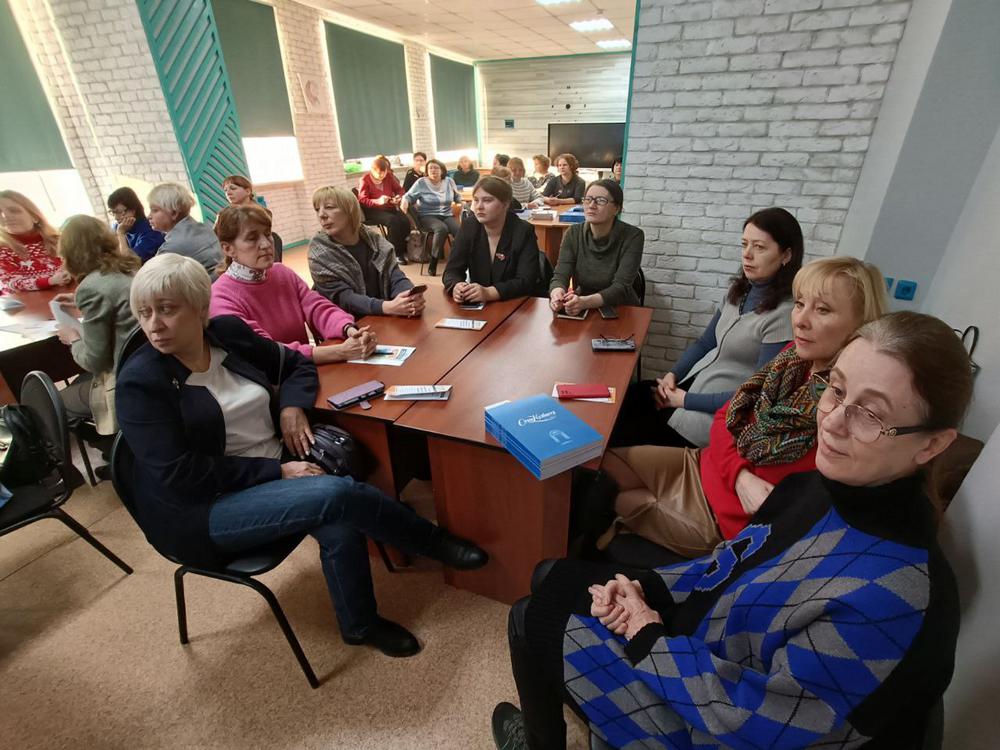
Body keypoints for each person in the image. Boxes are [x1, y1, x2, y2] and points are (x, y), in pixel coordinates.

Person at [492, 309, 971, 750]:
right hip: (706, 649)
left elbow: (754, 723)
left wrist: (646, 634)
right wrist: (645, 588)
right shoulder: (818, 487)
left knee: (531, 617)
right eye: (836, 389)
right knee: (551, 575)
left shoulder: (895, 597)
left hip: (715, 723)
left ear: (932, 445)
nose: (832, 422)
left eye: (871, 414)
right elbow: (727, 565)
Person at [117, 253, 488, 658]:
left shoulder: (227, 334)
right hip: (202, 508)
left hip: (272, 463)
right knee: (335, 494)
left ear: (200, 308)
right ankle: (431, 541)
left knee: (335, 514)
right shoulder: (141, 383)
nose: (154, 325)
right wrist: (275, 472)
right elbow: (180, 474)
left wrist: (291, 406)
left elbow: (296, 365)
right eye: (144, 312)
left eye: (167, 310)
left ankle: (360, 626)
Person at [596, 256, 888, 558]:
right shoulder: (792, 359)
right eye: (800, 304)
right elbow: (726, 416)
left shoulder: (841, 409)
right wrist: (739, 475)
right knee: (601, 468)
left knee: (612, 498)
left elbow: (790, 507)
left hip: (721, 519)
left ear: (860, 325)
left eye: (823, 310)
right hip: (704, 465)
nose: (800, 320)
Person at [611, 207, 805, 450]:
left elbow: (757, 395)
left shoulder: (783, 315)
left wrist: (684, 400)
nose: (747, 254)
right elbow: (705, 342)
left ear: (786, 255)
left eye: (759, 247)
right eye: (744, 244)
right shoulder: (740, 292)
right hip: (694, 386)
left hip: (711, 416)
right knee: (629, 398)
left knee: (621, 437)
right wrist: (673, 376)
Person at [210, 204, 377, 364]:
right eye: (252, 238)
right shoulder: (220, 298)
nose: (266, 244)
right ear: (228, 249)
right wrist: (340, 352)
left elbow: (318, 308)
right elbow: (267, 352)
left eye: (267, 234)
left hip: (306, 369)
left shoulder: (282, 273)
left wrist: (349, 330)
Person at [53, 215, 139, 434]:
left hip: (123, 379)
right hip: (144, 368)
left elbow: (94, 361)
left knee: (51, 401)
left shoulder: (90, 288)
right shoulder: (128, 269)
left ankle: (109, 446)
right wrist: (81, 303)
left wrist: (73, 339)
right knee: (79, 385)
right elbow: (115, 301)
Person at [309, 186, 423, 318]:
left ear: (350, 210)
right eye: (317, 209)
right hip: (347, 324)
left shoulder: (372, 239)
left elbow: (394, 275)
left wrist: (408, 296)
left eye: (329, 207)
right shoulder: (319, 252)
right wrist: (386, 307)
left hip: (380, 318)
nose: (321, 215)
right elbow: (344, 298)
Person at [548, 180, 643, 315]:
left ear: (616, 209)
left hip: (621, 308)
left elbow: (621, 287)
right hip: (581, 305)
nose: (592, 205)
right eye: (588, 199)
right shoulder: (573, 233)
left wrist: (585, 302)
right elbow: (560, 275)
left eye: (601, 201)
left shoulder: (633, 236)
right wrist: (557, 293)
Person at [442, 176, 541, 304]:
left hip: (515, 304)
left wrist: (489, 293)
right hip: (479, 304)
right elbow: (451, 270)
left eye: (487, 200)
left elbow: (526, 281)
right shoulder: (469, 226)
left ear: (505, 204)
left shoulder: (523, 231)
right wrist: (457, 286)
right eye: (476, 200)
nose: (479, 207)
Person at [147, 182, 222, 278]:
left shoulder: (172, 247)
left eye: (154, 210)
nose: (149, 216)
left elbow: (150, 279)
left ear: (174, 213)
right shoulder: (204, 228)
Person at [0, 190, 71, 291]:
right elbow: (10, 283)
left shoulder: (60, 241)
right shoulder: (3, 250)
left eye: (14, 210)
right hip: (28, 301)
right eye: (0, 212)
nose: (5, 216)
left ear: (35, 217)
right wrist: (50, 281)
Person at [401, 158, 461, 276]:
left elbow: (457, 197)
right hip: (427, 215)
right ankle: (433, 261)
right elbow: (408, 196)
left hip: (446, 214)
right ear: (427, 171)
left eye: (436, 168)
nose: (433, 170)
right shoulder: (421, 182)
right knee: (441, 229)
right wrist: (405, 201)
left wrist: (461, 202)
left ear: (442, 170)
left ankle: (458, 260)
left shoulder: (449, 181)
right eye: (430, 168)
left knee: (459, 230)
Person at [357, 155, 411, 265]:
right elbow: (362, 200)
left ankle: (402, 247)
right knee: (393, 221)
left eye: (384, 173)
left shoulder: (389, 176)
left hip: (389, 206)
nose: (382, 176)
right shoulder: (365, 180)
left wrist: (398, 197)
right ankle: (396, 253)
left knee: (405, 220)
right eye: (379, 174)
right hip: (373, 210)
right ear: (372, 171)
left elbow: (400, 189)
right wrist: (378, 201)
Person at [106, 187, 165, 263]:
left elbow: (129, 263)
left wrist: (121, 234)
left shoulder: (151, 231)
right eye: (112, 212)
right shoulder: (117, 227)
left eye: (118, 212)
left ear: (133, 210)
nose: (115, 217)